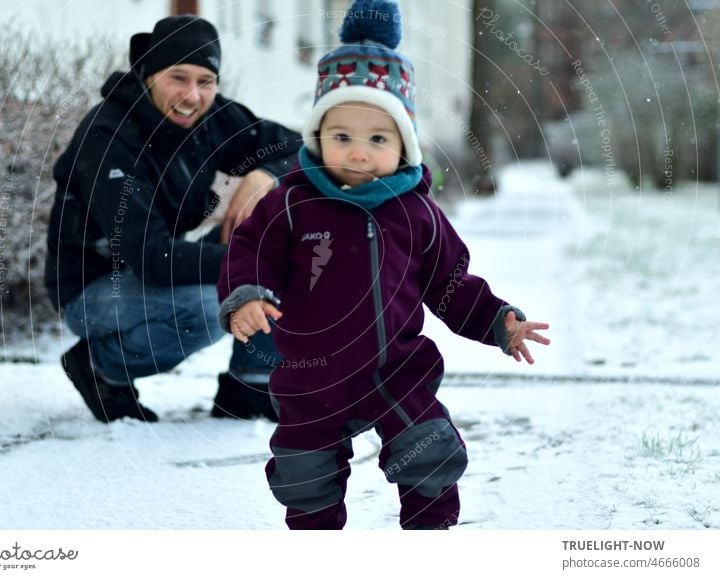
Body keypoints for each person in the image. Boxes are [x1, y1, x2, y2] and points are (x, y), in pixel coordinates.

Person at [216, 0, 550, 529]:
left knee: (430, 451)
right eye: (342, 136)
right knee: (304, 474)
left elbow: (450, 284)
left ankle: (428, 536)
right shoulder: (291, 202)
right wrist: (247, 295)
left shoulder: (417, 213)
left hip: (395, 368)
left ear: (403, 144)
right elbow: (250, 250)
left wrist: (496, 321)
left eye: (378, 138)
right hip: (310, 372)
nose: (358, 152)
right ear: (318, 136)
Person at [45, 15, 300, 423]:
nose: (193, 95)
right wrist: (251, 263)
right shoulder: (109, 136)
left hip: (153, 270)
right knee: (211, 305)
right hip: (94, 286)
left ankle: (249, 383)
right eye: (177, 77)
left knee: (288, 229)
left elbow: (300, 147)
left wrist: (264, 175)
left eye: (206, 81)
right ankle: (101, 365)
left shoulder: (214, 117)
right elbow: (151, 258)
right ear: (148, 74)